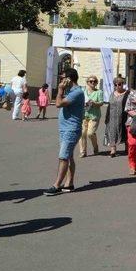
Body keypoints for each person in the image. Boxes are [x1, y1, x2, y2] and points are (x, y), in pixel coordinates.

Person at [44, 68, 85, 196]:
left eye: (63, 78)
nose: (61, 81)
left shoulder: (76, 92)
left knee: (63, 157)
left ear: (69, 79)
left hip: (71, 129)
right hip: (65, 129)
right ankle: (69, 184)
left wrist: (60, 91)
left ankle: (56, 185)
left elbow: (58, 104)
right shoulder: (71, 91)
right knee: (68, 156)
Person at [79, 76, 104, 157]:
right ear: (87, 82)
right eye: (91, 81)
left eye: (94, 81)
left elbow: (101, 103)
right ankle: (83, 152)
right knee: (82, 133)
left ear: (96, 83)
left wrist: (94, 103)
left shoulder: (99, 92)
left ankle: (95, 147)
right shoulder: (83, 91)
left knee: (90, 133)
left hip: (94, 116)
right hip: (84, 115)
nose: (92, 83)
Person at [104, 76, 129, 158]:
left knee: (125, 132)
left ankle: (127, 148)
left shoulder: (127, 93)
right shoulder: (112, 94)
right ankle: (113, 150)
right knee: (112, 132)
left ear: (123, 84)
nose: (117, 86)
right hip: (112, 117)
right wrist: (107, 117)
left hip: (124, 116)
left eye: (119, 84)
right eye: (115, 84)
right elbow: (109, 106)